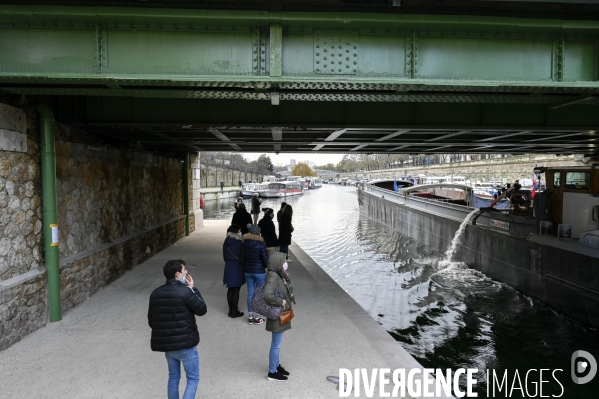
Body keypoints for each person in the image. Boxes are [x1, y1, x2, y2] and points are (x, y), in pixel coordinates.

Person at [148, 260, 207, 399]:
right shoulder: (185, 292)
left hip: (169, 347)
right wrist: (192, 288)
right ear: (177, 274)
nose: (186, 272)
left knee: (173, 378)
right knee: (192, 379)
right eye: (184, 270)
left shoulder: (155, 293)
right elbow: (202, 310)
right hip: (186, 345)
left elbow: (152, 320)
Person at [264, 252, 294, 382]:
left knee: (278, 344)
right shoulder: (273, 277)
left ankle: (276, 366)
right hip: (277, 314)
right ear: (277, 263)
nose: (285, 264)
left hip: (280, 314)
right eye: (283, 262)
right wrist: (280, 302)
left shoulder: (278, 275)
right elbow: (268, 295)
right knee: (276, 344)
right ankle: (272, 372)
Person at [242, 223, 268, 325]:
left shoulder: (244, 244)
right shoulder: (261, 244)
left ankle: (250, 316)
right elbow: (265, 260)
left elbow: (242, 258)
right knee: (259, 294)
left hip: (248, 271)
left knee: (250, 293)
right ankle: (258, 317)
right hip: (260, 272)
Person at [222, 224, 245, 318]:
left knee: (230, 288)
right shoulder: (239, 242)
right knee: (236, 289)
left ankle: (230, 310)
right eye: (239, 231)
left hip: (228, 266)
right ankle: (235, 311)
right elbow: (242, 256)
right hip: (237, 266)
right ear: (237, 232)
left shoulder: (226, 242)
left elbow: (224, 256)